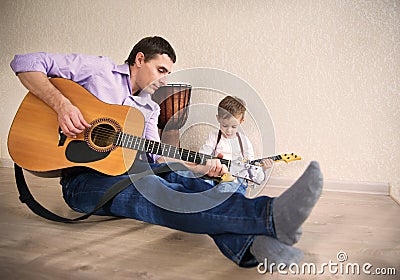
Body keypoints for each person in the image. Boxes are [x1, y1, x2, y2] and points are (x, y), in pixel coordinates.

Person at [10, 36, 323, 268]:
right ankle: (269, 215)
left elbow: (156, 157)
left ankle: (250, 249)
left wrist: (197, 167)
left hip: (129, 171)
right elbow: (24, 63)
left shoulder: (146, 109)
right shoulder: (99, 70)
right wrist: (62, 104)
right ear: (140, 59)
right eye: (160, 69)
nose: (164, 80)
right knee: (155, 193)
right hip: (83, 183)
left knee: (191, 183)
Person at [199, 95, 274, 195]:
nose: (229, 130)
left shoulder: (244, 142)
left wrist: (263, 169)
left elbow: (250, 167)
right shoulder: (214, 137)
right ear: (218, 119)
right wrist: (209, 161)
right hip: (215, 175)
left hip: (234, 179)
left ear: (241, 121)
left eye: (234, 126)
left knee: (226, 190)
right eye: (224, 125)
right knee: (197, 182)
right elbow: (203, 154)